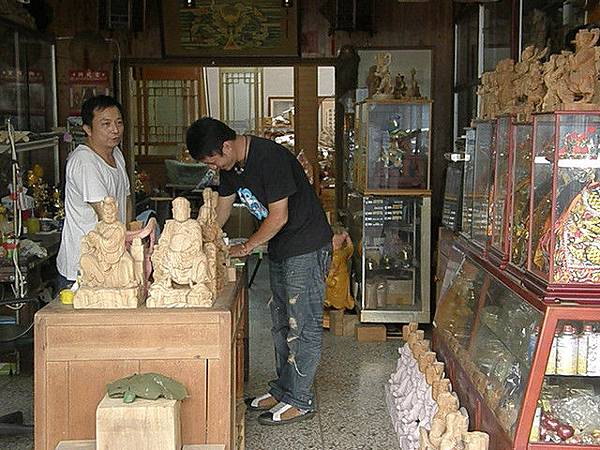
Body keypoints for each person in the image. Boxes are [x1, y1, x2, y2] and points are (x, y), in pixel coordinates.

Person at [186, 117, 332, 426]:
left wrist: (246, 246)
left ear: (227, 146)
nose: (213, 167)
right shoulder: (231, 167)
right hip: (280, 246)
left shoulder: (270, 158)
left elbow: (278, 217)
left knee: (302, 324)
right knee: (281, 323)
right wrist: (200, 238)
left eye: (212, 160)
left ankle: (300, 400)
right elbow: (222, 210)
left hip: (306, 245)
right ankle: (284, 390)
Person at [56, 95, 130, 291]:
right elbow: (105, 215)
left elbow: (127, 199)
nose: (115, 130)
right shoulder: (85, 161)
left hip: (112, 256)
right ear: (87, 129)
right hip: (84, 266)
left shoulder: (116, 154)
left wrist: (129, 237)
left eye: (119, 122)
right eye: (106, 124)